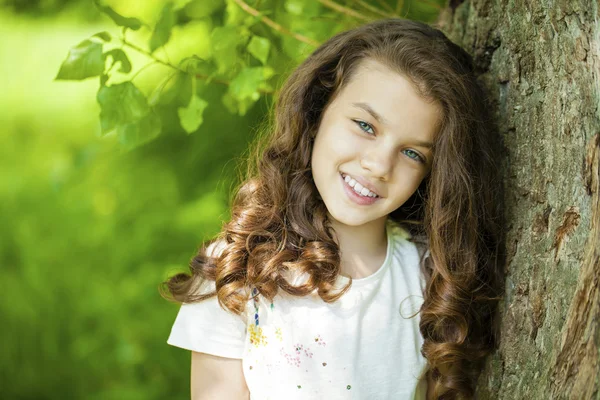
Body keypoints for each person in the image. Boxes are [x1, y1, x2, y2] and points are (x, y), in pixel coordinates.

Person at [162, 17, 504, 400]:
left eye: (412, 153)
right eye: (365, 125)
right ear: (316, 111)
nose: (378, 165)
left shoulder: (432, 280)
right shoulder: (234, 273)